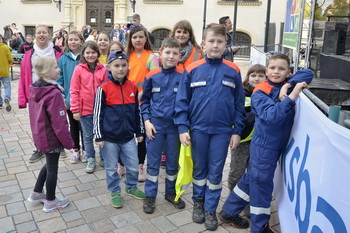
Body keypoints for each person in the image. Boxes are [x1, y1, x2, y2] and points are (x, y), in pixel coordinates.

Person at [218, 54, 313, 233]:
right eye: (273, 68)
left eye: (282, 69)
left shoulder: (284, 83)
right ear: (266, 70)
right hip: (265, 146)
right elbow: (272, 116)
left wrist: (287, 85)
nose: (276, 72)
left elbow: (308, 72)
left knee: (252, 178)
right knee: (262, 185)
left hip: (274, 144)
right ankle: (260, 227)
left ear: (289, 72)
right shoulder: (260, 91)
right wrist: (292, 95)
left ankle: (228, 213)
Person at [174, 23, 246, 231]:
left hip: (222, 132)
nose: (215, 45)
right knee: (199, 169)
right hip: (197, 130)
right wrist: (182, 128)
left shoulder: (233, 70)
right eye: (211, 41)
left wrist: (236, 131)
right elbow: (182, 102)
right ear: (204, 44)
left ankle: (210, 209)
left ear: (226, 44)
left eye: (220, 42)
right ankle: (198, 202)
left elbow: (239, 104)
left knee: (215, 173)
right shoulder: (192, 69)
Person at [93, 50, 146, 208]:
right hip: (109, 138)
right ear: (109, 67)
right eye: (117, 65)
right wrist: (99, 135)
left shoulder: (132, 87)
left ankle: (131, 187)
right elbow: (97, 114)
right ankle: (115, 191)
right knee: (111, 168)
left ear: (128, 67)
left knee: (133, 164)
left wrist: (139, 131)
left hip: (128, 137)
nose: (121, 69)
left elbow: (137, 111)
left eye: (124, 65)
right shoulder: (103, 88)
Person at [141, 38, 186, 214]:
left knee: (173, 164)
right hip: (155, 127)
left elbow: (186, 103)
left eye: (175, 53)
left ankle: (170, 192)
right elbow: (144, 101)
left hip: (174, 128)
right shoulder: (151, 76)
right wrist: (147, 121)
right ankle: (150, 196)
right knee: (152, 164)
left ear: (179, 56)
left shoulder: (183, 76)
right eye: (168, 52)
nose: (171, 56)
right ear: (160, 53)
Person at [26, 56, 74, 212]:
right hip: (51, 137)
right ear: (47, 73)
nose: (58, 69)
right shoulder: (53, 94)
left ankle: (37, 192)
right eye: (55, 67)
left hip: (41, 135)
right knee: (53, 168)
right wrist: (69, 143)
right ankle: (51, 201)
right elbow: (59, 123)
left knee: (49, 164)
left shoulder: (36, 89)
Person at [18, 25, 63, 163]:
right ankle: (39, 148)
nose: (41, 35)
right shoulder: (29, 53)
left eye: (44, 32)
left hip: (54, 91)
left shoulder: (57, 51)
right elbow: (24, 75)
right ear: (35, 35)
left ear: (49, 35)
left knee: (57, 120)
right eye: (39, 33)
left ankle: (59, 145)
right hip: (36, 92)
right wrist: (22, 99)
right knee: (38, 123)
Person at [126, 25, 160, 182]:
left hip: (143, 101)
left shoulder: (151, 57)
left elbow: (154, 80)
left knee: (141, 135)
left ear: (146, 38)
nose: (138, 40)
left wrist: (141, 94)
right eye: (134, 37)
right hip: (125, 101)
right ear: (130, 40)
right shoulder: (126, 56)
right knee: (125, 134)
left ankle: (140, 165)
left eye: (141, 36)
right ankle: (122, 163)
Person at [70, 41, 108, 173]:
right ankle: (91, 158)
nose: (90, 55)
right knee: (87, 136)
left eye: (93, 52)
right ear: (83, 54)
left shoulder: (103, 69)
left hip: (100, 110)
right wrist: (75, 109)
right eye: (88, 52)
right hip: (84, 110)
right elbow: (74, 90)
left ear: (97, 53)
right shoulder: (79, 69)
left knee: (102, 134)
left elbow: (107, 88)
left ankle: (103, 157)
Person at [57, 31, 86, 164]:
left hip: (85, 100)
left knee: (85, 127)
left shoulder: (85, 57)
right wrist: (63, 97)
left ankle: (86, 150)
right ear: (66, 42)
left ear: (81, 41)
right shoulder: (63, 59)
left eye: (76, 40)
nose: (73, 42)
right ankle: (75, 150)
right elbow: (59, 79)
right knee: (73, 126)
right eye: (70, 40)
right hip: (70, 100)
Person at [0, 34, 13, 111]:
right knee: (7, 86)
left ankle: (0, 103)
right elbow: (10, 59)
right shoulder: (5, 47)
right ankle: (7, 97)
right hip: (4, 71)